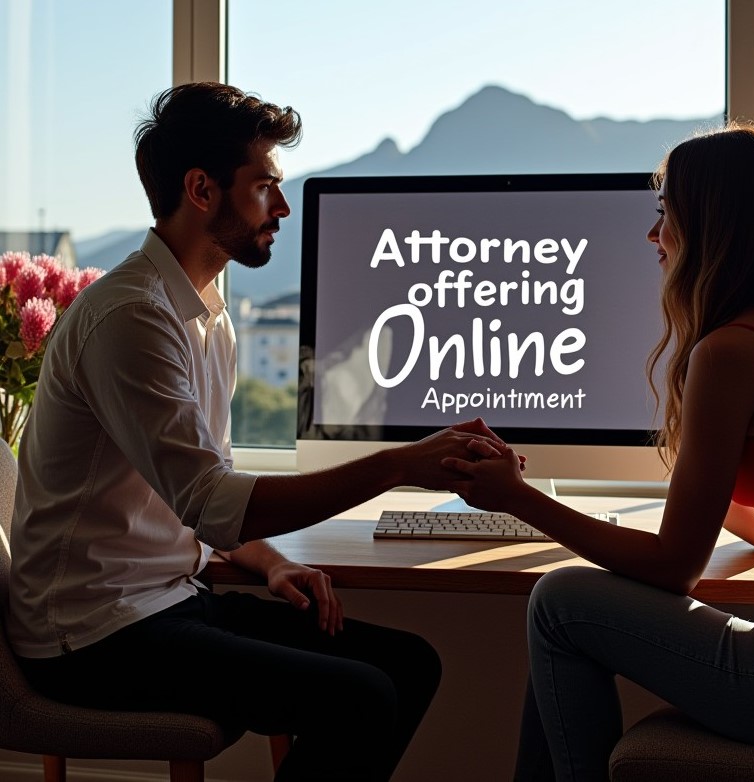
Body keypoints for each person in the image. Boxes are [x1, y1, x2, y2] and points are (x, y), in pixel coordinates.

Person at [7, 82, 508, 782]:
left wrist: (272, 561)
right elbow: (211, 500)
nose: (282, 204)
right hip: (93, 634)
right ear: (202, 189)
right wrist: (399, 465)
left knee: (409, 665)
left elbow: (208, 492)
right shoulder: (131, 319)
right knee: (360, 698)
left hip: (170, 601)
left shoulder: (205, 312)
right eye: (266, 184)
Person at [443, 121, 754, 780]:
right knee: (572, 610)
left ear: (711, 226)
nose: (653, 235)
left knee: (558, 602)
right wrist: (685, 502)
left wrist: (516, 498)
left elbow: (676, 568)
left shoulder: (729, 353)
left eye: (664, 213)